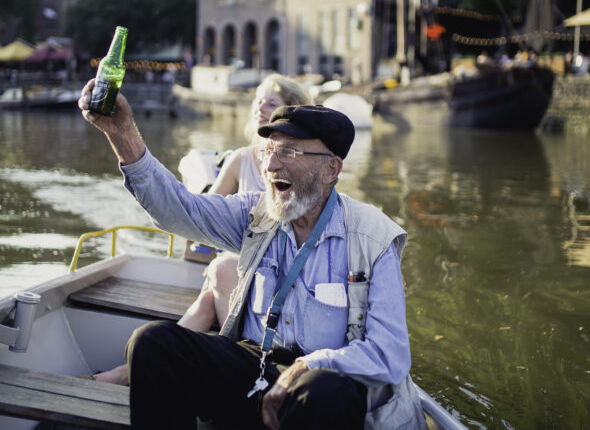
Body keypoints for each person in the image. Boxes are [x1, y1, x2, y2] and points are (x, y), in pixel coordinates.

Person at [78, 83, 426, 430]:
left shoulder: (374, 238)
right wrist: (122, 133)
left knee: (324, 389)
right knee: (153, 343)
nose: (271, 165)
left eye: (289, 152)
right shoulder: (257, 215)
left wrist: (308, 365)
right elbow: (178, 210)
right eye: (268, 151)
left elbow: (389, 354)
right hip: (255, 369)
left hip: (320, 386)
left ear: (331, 170)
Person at [95, 74, 311, 384]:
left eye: (271, 103)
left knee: (220, 271)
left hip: (269, 280)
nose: (260, 107)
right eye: (258, 100)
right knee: (220, 272)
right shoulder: (241, 159)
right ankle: (142, 370)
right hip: (233, 270)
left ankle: (140, 370)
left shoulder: (306, 172)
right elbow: (202, 211)